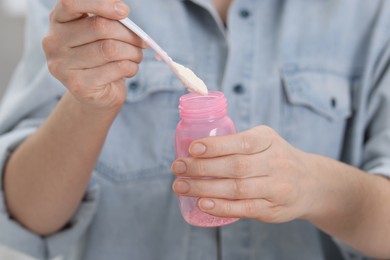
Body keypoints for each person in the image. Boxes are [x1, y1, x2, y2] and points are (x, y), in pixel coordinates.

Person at [0, 0, 389, 259]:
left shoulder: (370, 12)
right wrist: (87, 106)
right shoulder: (86, 9)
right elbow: (28, 216)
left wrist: (315, 186)